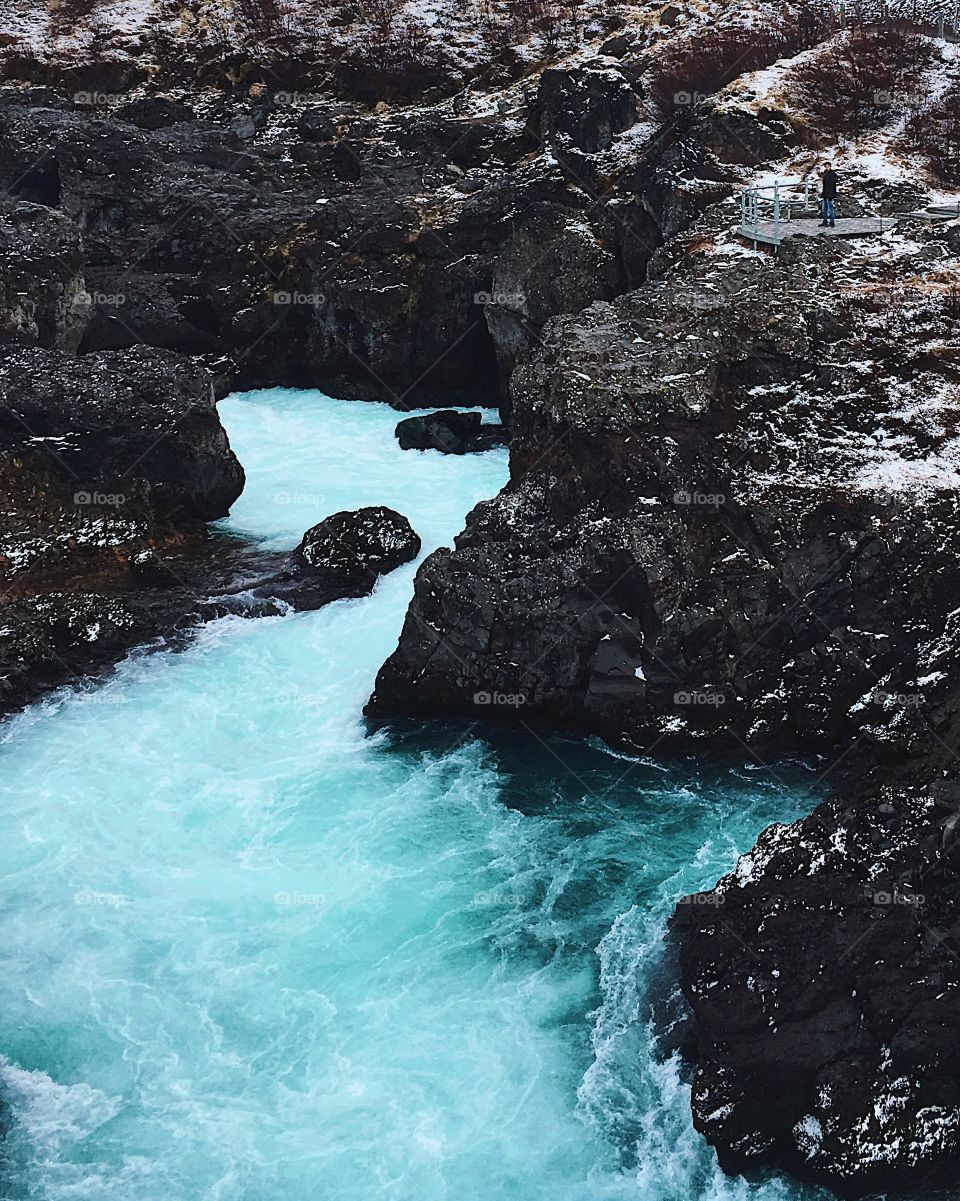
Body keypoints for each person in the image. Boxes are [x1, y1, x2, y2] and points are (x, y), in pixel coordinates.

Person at [819, 162, 838, 227]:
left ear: (830, 166)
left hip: (830, 193)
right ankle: (825, 221)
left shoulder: (832, 174)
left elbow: (833, 185)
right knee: (824, 209)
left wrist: (832, 194)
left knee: (830, 208)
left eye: (828, 166)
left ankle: (832, 222)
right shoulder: (825, 173)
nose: (827, 167)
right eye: (826, 166)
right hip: (825, 193)